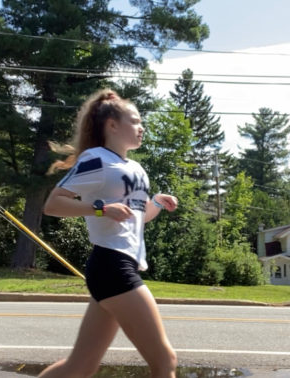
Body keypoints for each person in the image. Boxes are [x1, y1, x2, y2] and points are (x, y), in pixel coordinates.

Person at [39, 89, 179, 378]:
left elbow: (135, 221)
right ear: (112, 125)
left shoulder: (136, 168)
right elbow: (53, 204)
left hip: (120, 264)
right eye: (136, 121)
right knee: (165, 361)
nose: (142, 127)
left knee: (79, 367)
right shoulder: (96, 159)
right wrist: (101, 208)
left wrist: (155, 204)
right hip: (111, 265)